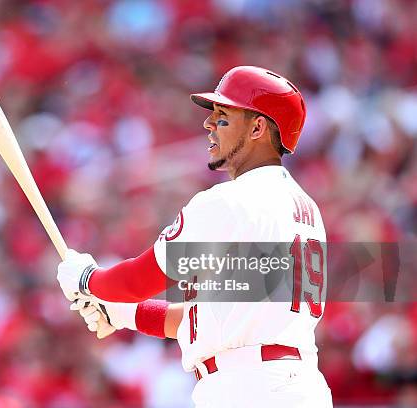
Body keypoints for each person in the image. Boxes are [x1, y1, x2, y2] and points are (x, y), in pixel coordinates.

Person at [57, 66, 333, 407]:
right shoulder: (305, 209)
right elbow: (207, 319)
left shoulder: (230, 202)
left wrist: (87, 279)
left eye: (222, 116)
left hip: (247, 388)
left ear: (258, 127)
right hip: (291, 385)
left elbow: (139, 280)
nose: (208, 124)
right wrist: (122, 313)